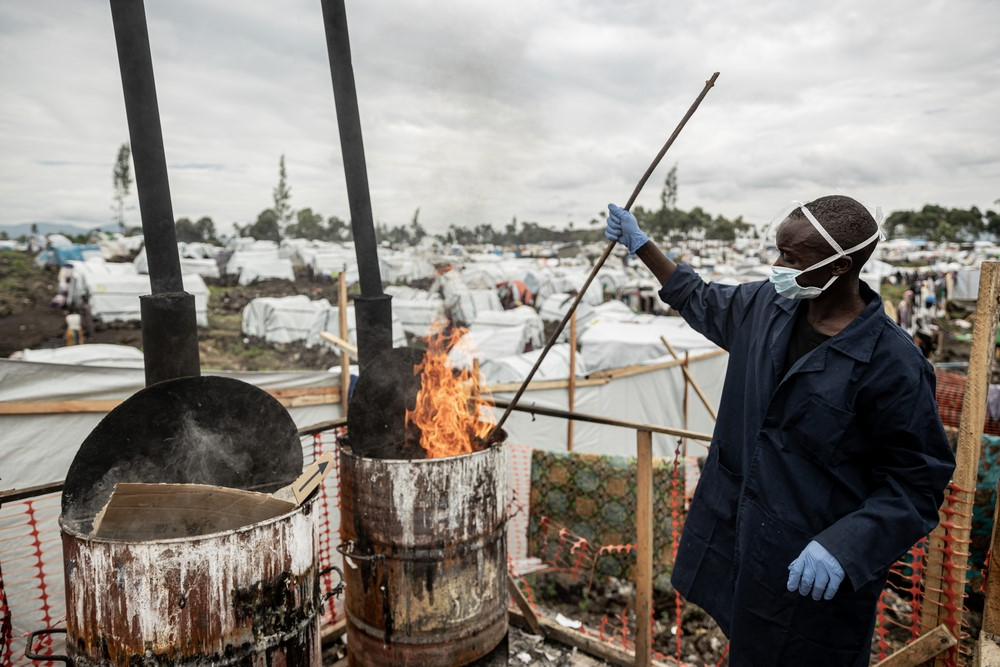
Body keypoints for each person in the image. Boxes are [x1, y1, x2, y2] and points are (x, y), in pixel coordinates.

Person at [605, 195, 955, 666]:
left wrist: (846, 545)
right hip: (744, 539)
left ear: (842, 265)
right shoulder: (766, 308)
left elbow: (917, 483)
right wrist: (643, 245)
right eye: (778, 252)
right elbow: (701, 298)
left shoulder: (892, 365)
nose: (777, 266)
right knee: (746, 646)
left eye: (791, 258)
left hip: (812, 571)